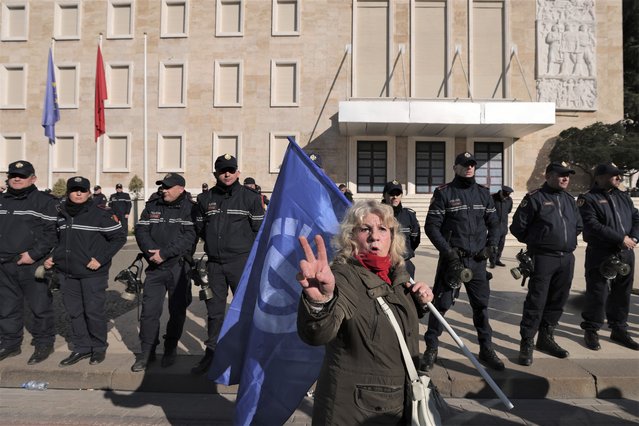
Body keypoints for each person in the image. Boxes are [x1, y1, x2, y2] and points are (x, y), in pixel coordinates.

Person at [296, 200, 434, 425]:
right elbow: (317, 333)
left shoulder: (397, 274)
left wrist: (420, 302)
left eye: (382, 229)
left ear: (392, 237)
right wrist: (321, 302)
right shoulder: (342, 277)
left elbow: (385, 319)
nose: (375, 236)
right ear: (351, 237)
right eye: (365, 229)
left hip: (397, 404)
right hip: (355, 411)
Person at [422, 152, 504, 372]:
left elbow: (494, 222)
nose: (469, 168)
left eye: (472, 165)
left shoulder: (483, 194)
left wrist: (492, 245)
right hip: (453, 261)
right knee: (441, 305)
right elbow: (431, 227)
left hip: (477, 261)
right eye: (465, 165)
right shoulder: (444, 193)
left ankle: (486, 348)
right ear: (455, 167)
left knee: (481, 307)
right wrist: (449, 254)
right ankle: (431, 348)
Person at [193, 154, 265, 374]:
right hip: (214, 265)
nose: (227, 174)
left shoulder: (250, 198)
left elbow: (259, 233)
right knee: (215, 312)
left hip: (240, 263)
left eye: (231, 170)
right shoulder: (205, 200)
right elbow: (200, 229)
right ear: (215, 173)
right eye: (223, 170)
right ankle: (212, 354)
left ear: (238, 173)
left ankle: (247, 355)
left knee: (245, 310)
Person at [44, 176, 126, 366]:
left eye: (82, 190)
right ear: (68, 193)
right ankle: (81, 347)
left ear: (89, 193)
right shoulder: (61, 213)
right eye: (74, 190)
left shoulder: (100, 214)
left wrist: (101, 259)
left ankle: (98, 348)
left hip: (92, 274)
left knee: (93, 312)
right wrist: (53, 257)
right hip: (67, 273)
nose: (78, 193)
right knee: (74, 312)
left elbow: (119, 237)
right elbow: (59, 240)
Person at [510, 161, 583, 366]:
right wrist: (539, 242)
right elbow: (518, 228)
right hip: (543, 258)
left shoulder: (569, 199)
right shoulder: (535, 198)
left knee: (558, 300)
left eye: (568, 175)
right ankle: (527, 342)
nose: (565, 178)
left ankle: (546, 337)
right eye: (561, 174)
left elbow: (578, 225)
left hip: (567, 258)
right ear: (548, 176)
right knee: (537, 301)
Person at [131, 173, 196, 372]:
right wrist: (153, 253)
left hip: (178, 266)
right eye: (162, 187)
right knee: (149, 312)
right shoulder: (153, 205)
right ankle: (147, 352)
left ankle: (170, 348)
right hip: (155, 267)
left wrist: (165, 253)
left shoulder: (190, 209)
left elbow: (189, 237)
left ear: (180, 189)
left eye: (168, 187)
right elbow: (141, 230)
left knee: (177, 311)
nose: (164, 190)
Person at [0, 161, 58, 365]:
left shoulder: (44, 201)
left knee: (39, 306)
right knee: (6, 307)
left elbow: (52, 232)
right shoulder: (2, 199)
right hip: (4, 263)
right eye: (13, 175)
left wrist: (34, 255)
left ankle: (44, 343)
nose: (16, 178)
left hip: (31, 263)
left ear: (33, 178)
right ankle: (10, 343)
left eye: (22, 175)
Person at [577, 163, 639, 351]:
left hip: (625, 253)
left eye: (620, 175)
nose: (619, 178)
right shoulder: (588, 199)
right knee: (598, 292)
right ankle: (591, 329)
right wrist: (620, 238)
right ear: (600, 177)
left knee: (622, 293)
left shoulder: (623, 197)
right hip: (601, 253)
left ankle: (619, 329)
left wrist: (633, 238)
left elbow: (637, 218)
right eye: (614, 175)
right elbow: (592, 225)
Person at [381, 180, 420, 278]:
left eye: (398, 194)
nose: (395, 197)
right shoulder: (377, 216)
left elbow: (415, 240)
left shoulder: (409, 215)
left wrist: (405, 252)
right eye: (391, 194)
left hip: (404, 263)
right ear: (384, 195)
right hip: (382, 263)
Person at [489, 185, 514, 268]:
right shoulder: (493, 198)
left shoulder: (509, 200)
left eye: (509, 194)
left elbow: (509, 210)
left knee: (501, 244)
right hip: (495, 225)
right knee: (493, 244)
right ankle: (492, 261)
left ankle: (497, 260)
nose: (508, 195)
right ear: (503, 192)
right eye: (507, 193)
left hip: (504, 225)